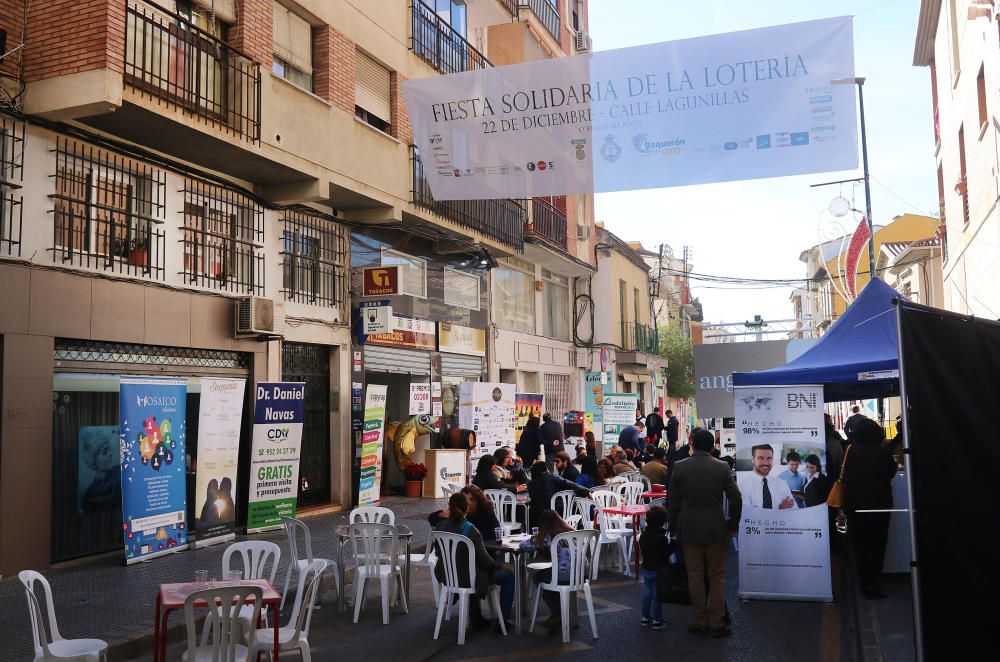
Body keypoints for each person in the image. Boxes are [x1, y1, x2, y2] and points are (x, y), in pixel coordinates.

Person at [666, 428, 742, 638]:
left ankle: (699, 620)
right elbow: (736, 498)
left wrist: (673, 526)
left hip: (688, 528)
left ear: (692, 444)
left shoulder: (680, 467)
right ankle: (717, 622)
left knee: (695, 576)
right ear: (712, 446)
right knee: (716, 576)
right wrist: (733, 524)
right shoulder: (722, 467)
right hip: (715, 528)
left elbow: (672, 502)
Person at [432, 492, 515, 629]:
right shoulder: (471, 530)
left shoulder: (440, 527)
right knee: (508, 575)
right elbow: (486, 561)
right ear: (467, 509)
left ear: (449, 507)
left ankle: (477, 618)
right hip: (468, 578)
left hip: (448, 576)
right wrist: (498, 566)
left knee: (472, 570)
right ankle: (503, 622)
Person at [842, 418, 898, 599]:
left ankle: (863, 583)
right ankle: (873, 584)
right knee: (877, 545)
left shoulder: (851, 451)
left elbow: (846, 476)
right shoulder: (884, 452)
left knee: (861, 545)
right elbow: (891, 473)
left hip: (856, 505)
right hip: (879, 505)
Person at [519, 510, 576, 634]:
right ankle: (561, 613)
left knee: (539, 577)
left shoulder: (547, 536)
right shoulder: (571, 532)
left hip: (562, 575)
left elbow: (524, 545)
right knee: (550, 576)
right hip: (579, 574)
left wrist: (535, 537)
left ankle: (558, 612)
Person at [638, 505, 675, 630]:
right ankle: (657, 621)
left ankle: (645, 617)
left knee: (647, 592)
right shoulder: (661, 538)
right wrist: (674, 543)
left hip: (647, 567)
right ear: (663, 522)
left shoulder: (643, 536)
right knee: (657, 595)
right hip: (658, 570)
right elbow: (666, 553)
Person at [526, 462, 590, 529]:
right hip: (559, 514)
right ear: (546, 469)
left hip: (539, 517)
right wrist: (587, 491)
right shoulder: (552, 477)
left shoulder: (530, 484)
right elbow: (570, 484)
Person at [429, 484, 503, 541]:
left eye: (472, 499)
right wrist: (439, 514)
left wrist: (473, 535)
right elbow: (432, 519)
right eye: (465, 499)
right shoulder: (458, 511)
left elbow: (497, 531)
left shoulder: (486, 509)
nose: (468, 502)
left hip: (483, 547)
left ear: (478, 501)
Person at [737, 444, 795, 509]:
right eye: (761, 458)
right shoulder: (742, 485)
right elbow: (747, 515)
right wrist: (780, 511)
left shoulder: (782, 484)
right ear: (753, 459)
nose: (765, 463)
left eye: (769, 458)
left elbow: (793, 511)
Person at [824, 413, 846, 480]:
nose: (831, 422)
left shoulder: (831, 434)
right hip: (834, 457)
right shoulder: (833, 435)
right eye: (830, 420)